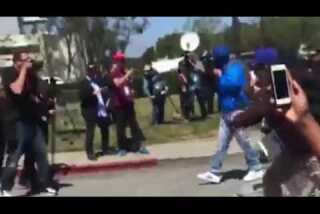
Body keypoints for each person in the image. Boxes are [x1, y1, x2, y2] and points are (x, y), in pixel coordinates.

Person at [197, 45, 264, 184]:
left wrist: (219, 76)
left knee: (243, 141)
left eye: (214, 58)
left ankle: (256, 167)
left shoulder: (235, 67)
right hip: (226, 111)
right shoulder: (224, 68)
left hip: (237, 109)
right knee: (221, 143)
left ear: (219, 58)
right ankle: (215, 171)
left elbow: (232, 85)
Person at [0, 52, 56, 196]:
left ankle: (45, 183)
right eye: (26, 60)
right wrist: (24, 70)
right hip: (15, 121)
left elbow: (36, 93)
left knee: (41, 152)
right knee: (15, 155)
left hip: (32, 119)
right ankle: (5, 187)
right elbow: (17, 90)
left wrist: (45, 105)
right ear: (17, 62)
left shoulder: (31, 76)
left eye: (29, 60)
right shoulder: (8, 73)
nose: (29, 62)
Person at [110, 51, 149, 156]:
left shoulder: (124, 71)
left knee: (134, 125)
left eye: (123, 60)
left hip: (128, 102)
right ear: (116, 61)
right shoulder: (114, 72)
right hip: (119, 104)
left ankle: (138, 145)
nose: (122, 62)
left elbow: (127, 86)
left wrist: (132, 91)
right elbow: (117, 83)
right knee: (120, 127)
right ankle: (122, 147)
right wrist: (127, 75)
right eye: (119, 60)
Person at [79, 64, 113, 161]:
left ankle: (105, 148)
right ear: (87, 71)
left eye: (94, 70)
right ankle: (89, 152)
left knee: (105, 126)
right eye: (91, 70)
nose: (92, 72)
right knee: (91, 131)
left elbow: (105, 87)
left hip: (100, 108)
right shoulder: (84, 82)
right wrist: (92, 94)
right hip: (89, 109)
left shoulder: (96, 80)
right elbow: (82, 96)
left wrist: (103, 91)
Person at [200, 51, 218, 115]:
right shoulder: (206, 62)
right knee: (209, 96)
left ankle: (209, 110)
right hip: (207, 81)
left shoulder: (205, 61)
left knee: (210, 96)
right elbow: (205, 71)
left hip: (208, 81)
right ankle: (209, 110)